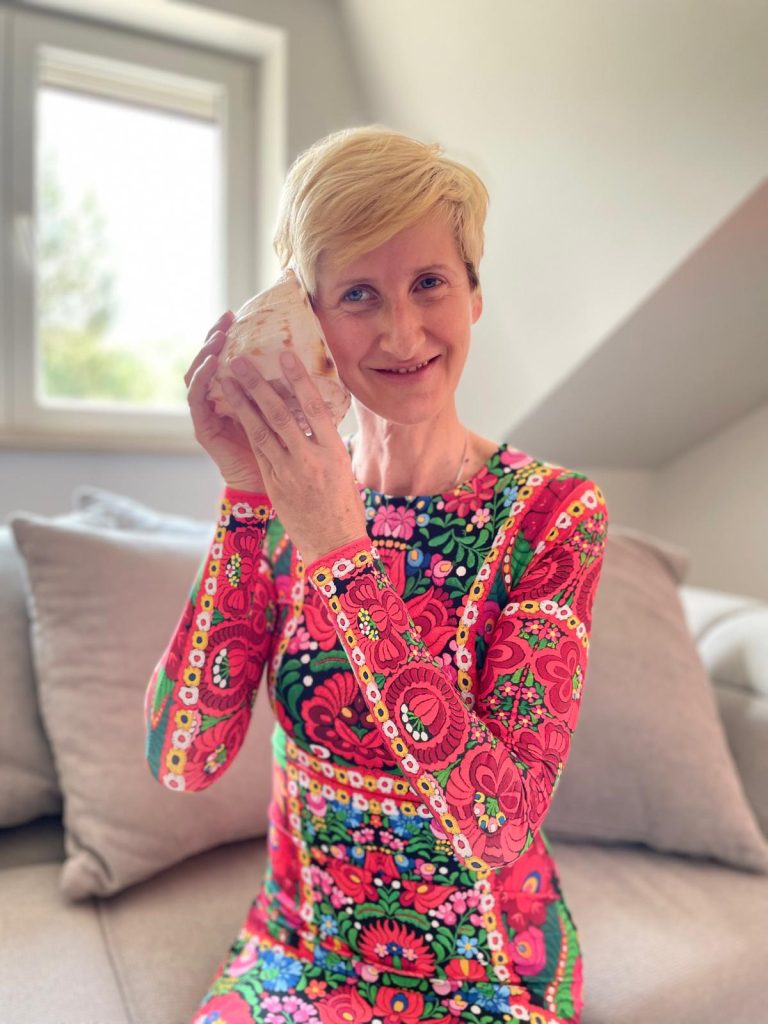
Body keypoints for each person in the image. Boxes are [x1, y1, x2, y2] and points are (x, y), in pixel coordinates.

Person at [144, 125, 609, 1024]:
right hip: (298, 950)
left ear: (474, 295)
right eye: (358, 294)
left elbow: (500, 823)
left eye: (430, 282)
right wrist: (246, 493)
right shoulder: (282, 500)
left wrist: (341, 555)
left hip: (486, 971)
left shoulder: (556, 514)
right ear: (308, 316)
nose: (403, 331)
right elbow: (183, 760)